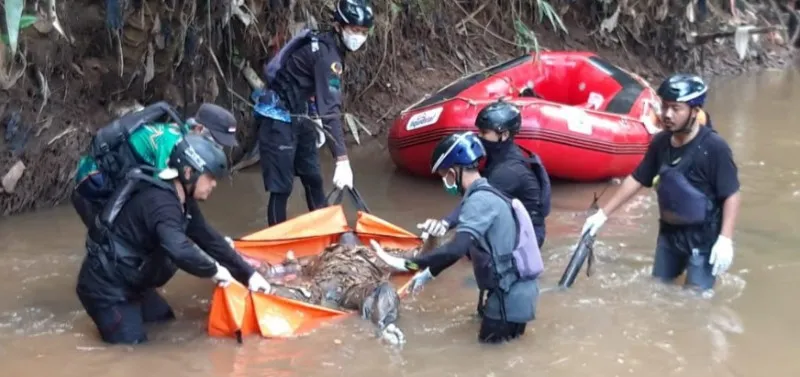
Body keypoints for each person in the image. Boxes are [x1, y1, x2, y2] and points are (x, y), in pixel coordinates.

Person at [75, 134, 271, 345]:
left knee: (165, 323)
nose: (213, 185)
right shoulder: (162, 203)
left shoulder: (182, 200)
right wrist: (215, 271)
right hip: (107, 289)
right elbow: (178, 249)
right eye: (210, 177)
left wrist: (248, 274)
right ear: (188, 172)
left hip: (133, 281)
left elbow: (209, 239)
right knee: (133, 351)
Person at [375, 132, 543, 344]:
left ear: (454, 171)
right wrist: (429, 273)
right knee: (504, 352)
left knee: (488, 357)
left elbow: (455, 249)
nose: (445, 181)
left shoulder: (479, 202)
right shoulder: (486, 193)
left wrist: (408, 263)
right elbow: (464, 248)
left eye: (445, 173)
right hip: (515, 295)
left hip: (507, 299)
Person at [580, 73, 740, 291]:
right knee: (658, 290)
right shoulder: (660, 142)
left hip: (702, 240)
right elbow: (638, 179)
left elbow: (731, 194)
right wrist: (603, 214)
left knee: (695, 301)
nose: (667, 114)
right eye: (664, 107)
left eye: (676, 108)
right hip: (669, 235)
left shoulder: (714, 147)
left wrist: (725, 239)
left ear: (695, 111)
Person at [253, 0, 373, 226]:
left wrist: (314, 114)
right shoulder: (327, 57)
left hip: (301, 114)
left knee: (313, 178)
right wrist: (342, 159)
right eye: (355, 30)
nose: (359, 37)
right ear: (338, 26)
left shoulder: (331, 48)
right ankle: (278, 245)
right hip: (277, 117)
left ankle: (324, 233)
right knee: (282, 188)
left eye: (364, 32)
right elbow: (332, 110)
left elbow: (312, 89)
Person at [72, 102, 240, 229]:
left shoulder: (184, 138)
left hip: (118, 184)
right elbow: (161, 194)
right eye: (216, 142)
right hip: (93, 184)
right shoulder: (171, 141)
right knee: (110, 242)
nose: (218, 149)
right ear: (199, 128)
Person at [418, 100, 552, 247]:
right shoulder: (499, 154)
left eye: (484, 132)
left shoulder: (509, 170)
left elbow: (479, 201)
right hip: (512, 221)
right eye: (479, 131)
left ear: (504, 134)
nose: (479, 136)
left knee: (472, 247)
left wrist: (446, 223)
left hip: (527, 236)